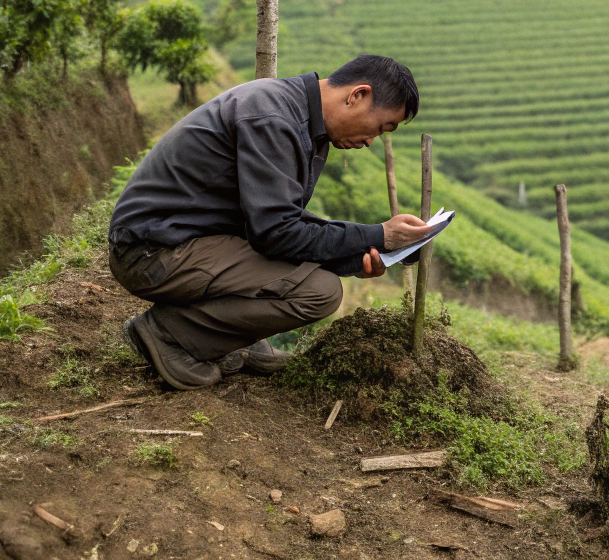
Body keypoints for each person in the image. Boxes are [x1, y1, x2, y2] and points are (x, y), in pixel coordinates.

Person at [108, 54, 431, 390]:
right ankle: (169, 333)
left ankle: (233, 338)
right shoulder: (274, 118)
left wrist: (364, 250)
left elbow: (282, 220)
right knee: (320, 292)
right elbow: (276, 233)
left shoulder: (303, 120)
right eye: (380, 127)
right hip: (152, 251)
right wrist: (377, 234)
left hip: (195, 238)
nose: (370, 141)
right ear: (357, 95)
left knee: (312, 274)